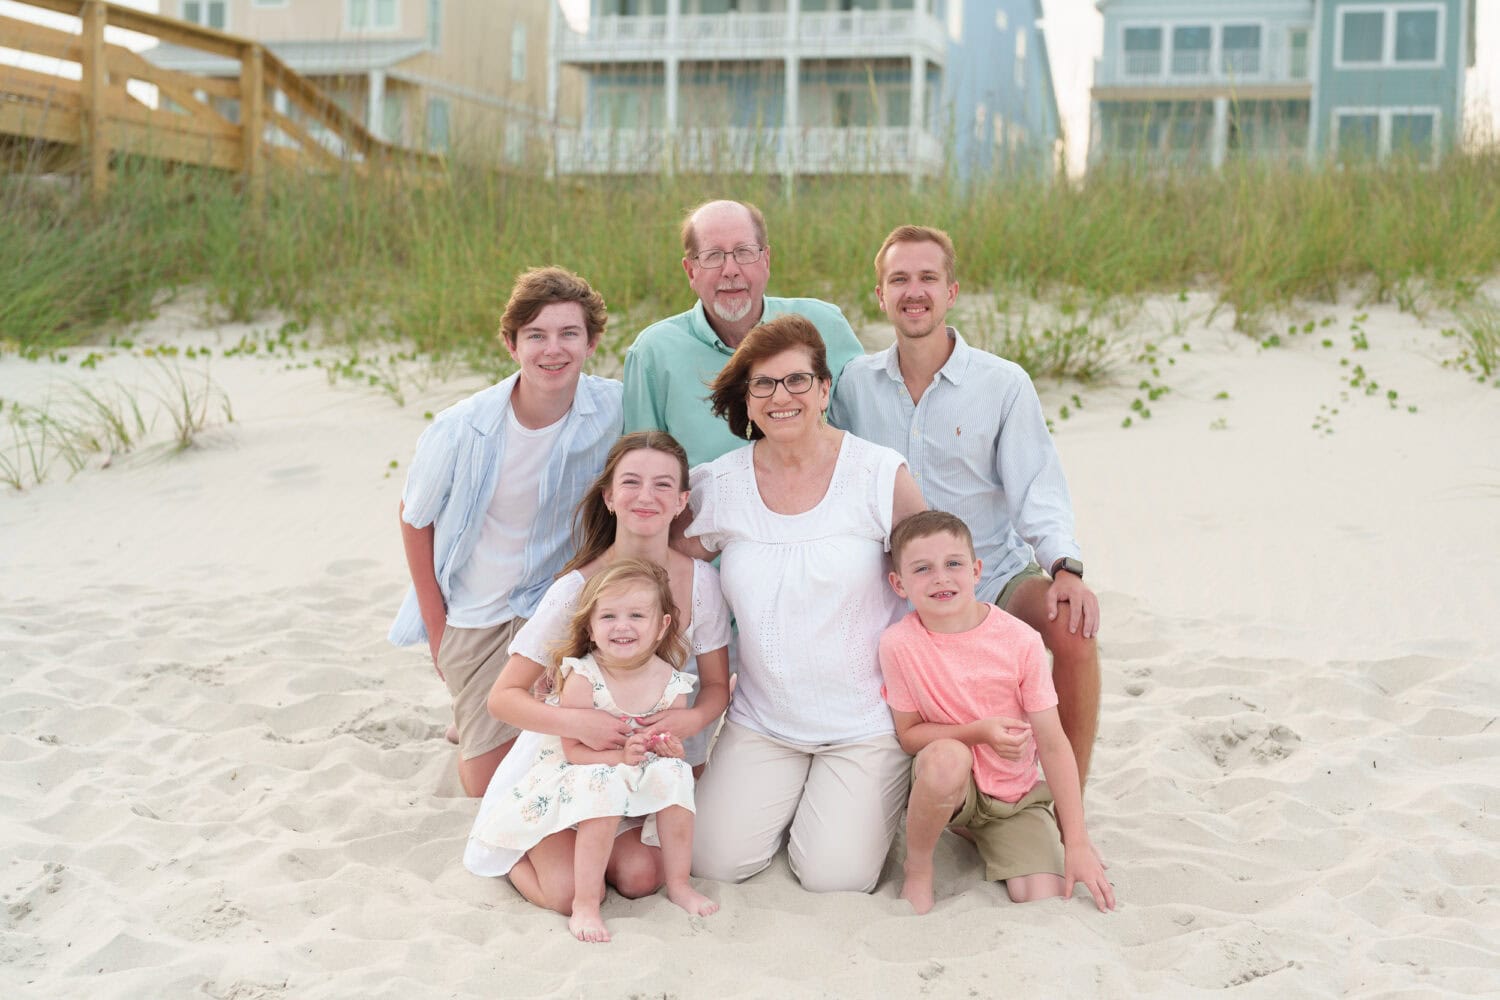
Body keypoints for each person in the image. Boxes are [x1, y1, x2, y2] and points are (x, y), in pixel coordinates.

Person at [830, 224, 1103, 785]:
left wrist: (1065, 567)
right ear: (880, 295)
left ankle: (1067, 795)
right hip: (897, 586)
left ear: (951, 292)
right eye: (898, 279)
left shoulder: (1003, 384)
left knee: (1075, 630)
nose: (914, 291)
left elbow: (1038, 489)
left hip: (993, 574)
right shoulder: (853, 386)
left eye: (928, 277)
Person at [676, 313, 939, 894]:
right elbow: (662, 560)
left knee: (834, 876)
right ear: (747, 400)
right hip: (763, 719)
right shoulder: (721, 485)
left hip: (866, 722)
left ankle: (851, 805)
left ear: (824, 389)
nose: (781, 396)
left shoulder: (876, 473)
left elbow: (935, 580)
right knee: (713, 861)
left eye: (797, 380)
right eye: (763, 384)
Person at [465, 431, 731, 911]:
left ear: (682, 501)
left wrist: (691, 722)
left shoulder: (701, 585)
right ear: (609, 497)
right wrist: (580, 721)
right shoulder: (577, 588)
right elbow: (503, 697)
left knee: (640, 877)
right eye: (630, 482)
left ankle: (600, 850)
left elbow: (715, 687)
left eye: (663, 485)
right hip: (570, 759)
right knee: (566, 894)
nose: (646, 496)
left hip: (640, 764)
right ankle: (511, 844)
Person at [389, 266, 622, 797]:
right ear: (511, 344)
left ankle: (493, 714)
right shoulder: (462, 428)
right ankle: (472, 713)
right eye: (536, 335)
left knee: (573, 747)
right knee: (484, 786)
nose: (553, 350)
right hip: (480, 608)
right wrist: (437, 628)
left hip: (559, 603)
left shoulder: (615, 408)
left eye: (569, 334)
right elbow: (413, 516)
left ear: (592, 342)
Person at [879, 510, 1115, 915]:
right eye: (923, 569)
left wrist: (1075, 840)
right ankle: (919, 867)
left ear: (976, 571)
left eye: (954, 564)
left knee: (1040, 894)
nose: (941, 577)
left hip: (1013, 797)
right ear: (899, 584)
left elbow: (1053, 744)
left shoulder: (1019, 640)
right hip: (953, 785)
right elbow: (909, 735)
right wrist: (979, 732)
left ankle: (983, 834)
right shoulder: (899, 644)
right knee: (946, 759)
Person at [470, 560, 719, 942]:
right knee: (564, 893)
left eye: (637, 615)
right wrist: (618, 758)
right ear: (590, 627)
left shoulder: (672, 683)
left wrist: (666, 749)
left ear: (662, 626)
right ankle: (534, 869)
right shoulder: (584, 678)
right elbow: (573, 753)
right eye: (609, 616)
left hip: (626, 794)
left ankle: (679, 884)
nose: (622, 626)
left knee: (640, 877)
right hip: (576, 787)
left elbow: (664, 747)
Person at [622, 199, 866, 467]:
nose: (730, 271)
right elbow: (641, 471)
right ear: (691, 271)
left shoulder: (825, 325)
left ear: (766, 260)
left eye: (744, 252)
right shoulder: (653, 353)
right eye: (713, 255)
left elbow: (865, 435)